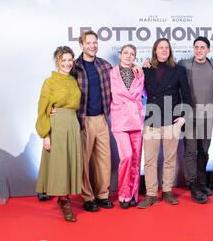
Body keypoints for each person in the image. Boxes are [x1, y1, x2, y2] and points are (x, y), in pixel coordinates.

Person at [138, 38, 191, 208]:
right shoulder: (146, 69)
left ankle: (168, 190)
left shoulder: (178, 70)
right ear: (155, 50)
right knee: (150, 160)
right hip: (152, 119)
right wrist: (139, 68)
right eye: (161, 47)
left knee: (170, 159)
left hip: (171, 120)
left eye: (167, 47)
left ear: (170, 50)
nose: (164, 50)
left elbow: (187, 96)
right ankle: (151, 193)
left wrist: (183, 118)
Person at [35, 46, 82, 222]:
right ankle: (64, 200)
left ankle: (66, 196)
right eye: (64, 60)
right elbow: (42, 108)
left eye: (70, 60)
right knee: (60, 163)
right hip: (58, 125)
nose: (68, 63)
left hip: (73, 123)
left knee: (70, 162)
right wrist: (45, 135)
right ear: (57, 61)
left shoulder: (73, 80)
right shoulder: (50, 82)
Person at [178, 36, 213, 204]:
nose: (199, 50)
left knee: (204, 151)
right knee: (190, 150)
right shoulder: (185, 65)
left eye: (202, 47)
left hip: (208, 116)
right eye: (196, 47)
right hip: (189, 115)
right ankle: (193, 185)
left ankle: (202, 182)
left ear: (208, 50)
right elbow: (169, 69)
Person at [74, 30, 114, 212]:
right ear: (81, 45)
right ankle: (88, 197)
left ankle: (103, 195)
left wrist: (138, 66)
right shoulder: (74, 68)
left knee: (104, 160)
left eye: (95, 42)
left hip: (102, 118)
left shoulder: (105, 65)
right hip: (84, 120)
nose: (92, 45)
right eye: (88, 43)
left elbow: (121, 77)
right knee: (84, 161)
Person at [110, 44, 144, 209]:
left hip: (137, 120)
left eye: (132, 54)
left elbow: (145, 93)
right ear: (120, 54)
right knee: (127, 157)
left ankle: (133, 194)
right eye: (126, 53)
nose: (129, 56)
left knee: (136, 159)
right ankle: (123, 194)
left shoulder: (140, 73)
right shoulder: (111, 73)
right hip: (120, 121)